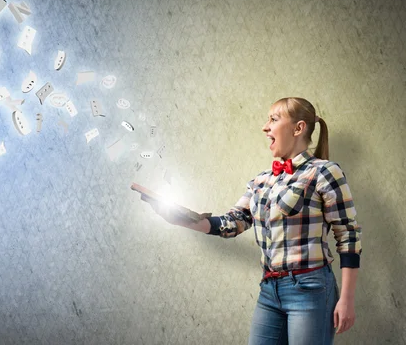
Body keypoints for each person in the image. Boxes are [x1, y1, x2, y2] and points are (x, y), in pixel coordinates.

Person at [143, 97, 362, 345]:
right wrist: (180, 219)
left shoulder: (324, 172)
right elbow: (232, 222)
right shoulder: (261, 181)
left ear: (298, 128)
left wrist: (346, 299)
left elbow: (348, 236)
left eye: (273, 119)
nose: (265, 127)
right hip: (269, 290)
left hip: (310, 289)